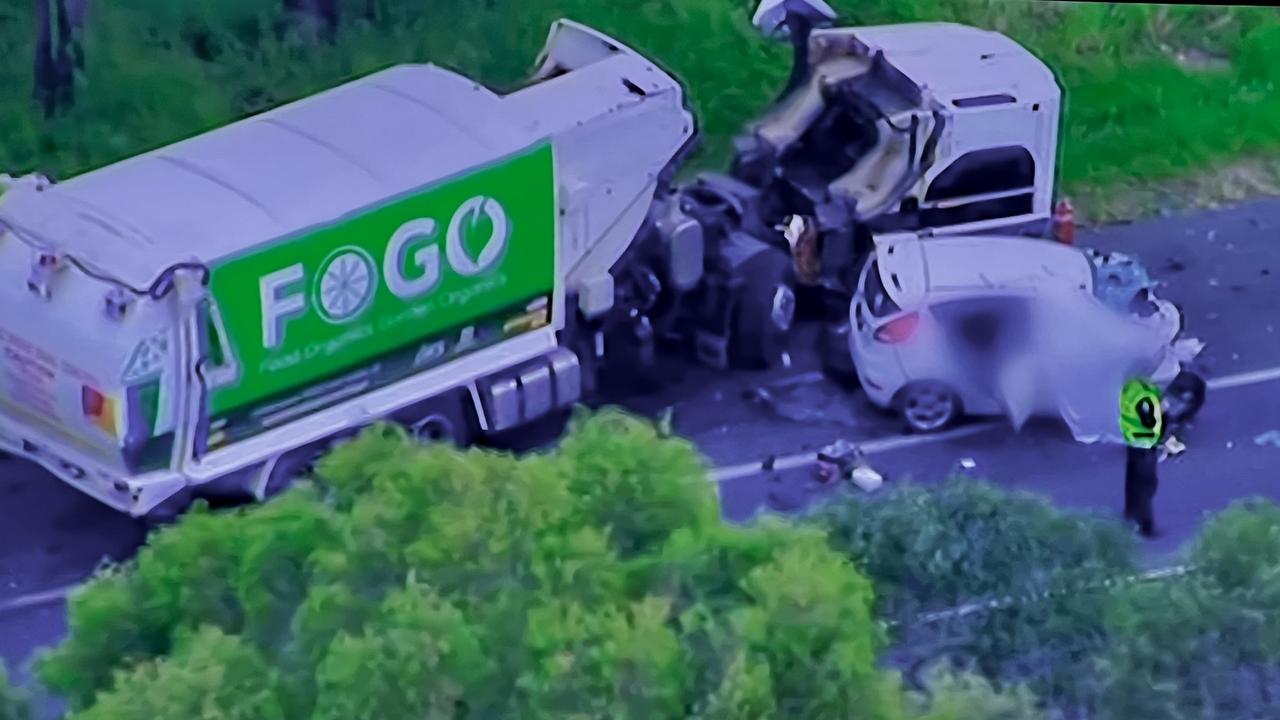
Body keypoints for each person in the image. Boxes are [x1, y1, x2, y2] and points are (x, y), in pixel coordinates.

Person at [1119, 377, 1164, 538]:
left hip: (1132, 442)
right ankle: (1146, 525)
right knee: (1146, 485)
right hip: (1145, 443)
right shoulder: (1146, 394)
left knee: (1133, 483)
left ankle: (1130, 515)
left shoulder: (1129, 388)